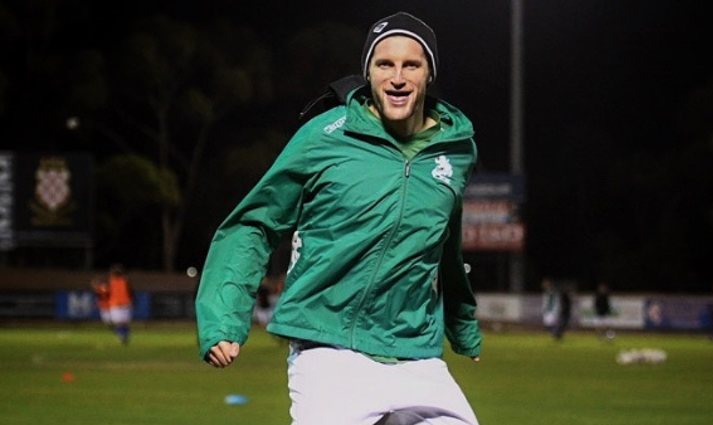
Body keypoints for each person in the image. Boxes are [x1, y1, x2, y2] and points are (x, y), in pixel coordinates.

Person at [195, 11, 482, 425]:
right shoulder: (324, 135)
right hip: (328, 347)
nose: (397, 77)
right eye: (385, 64)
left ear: (429, 74)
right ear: (368, 71)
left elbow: (445, 243)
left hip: (415, 353)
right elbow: (254, 223)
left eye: (411, 65)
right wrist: (224, 317)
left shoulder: (456, 151)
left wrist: (462, 324)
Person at [107, 264, 134, 345]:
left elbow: (108, 292)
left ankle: (122, 336)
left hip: (116, 304)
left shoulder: (111, 281)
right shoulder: (125, 281)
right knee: (124, 322)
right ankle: (125, 336)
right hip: (125, 303)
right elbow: (131, 292)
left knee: (119, 323)